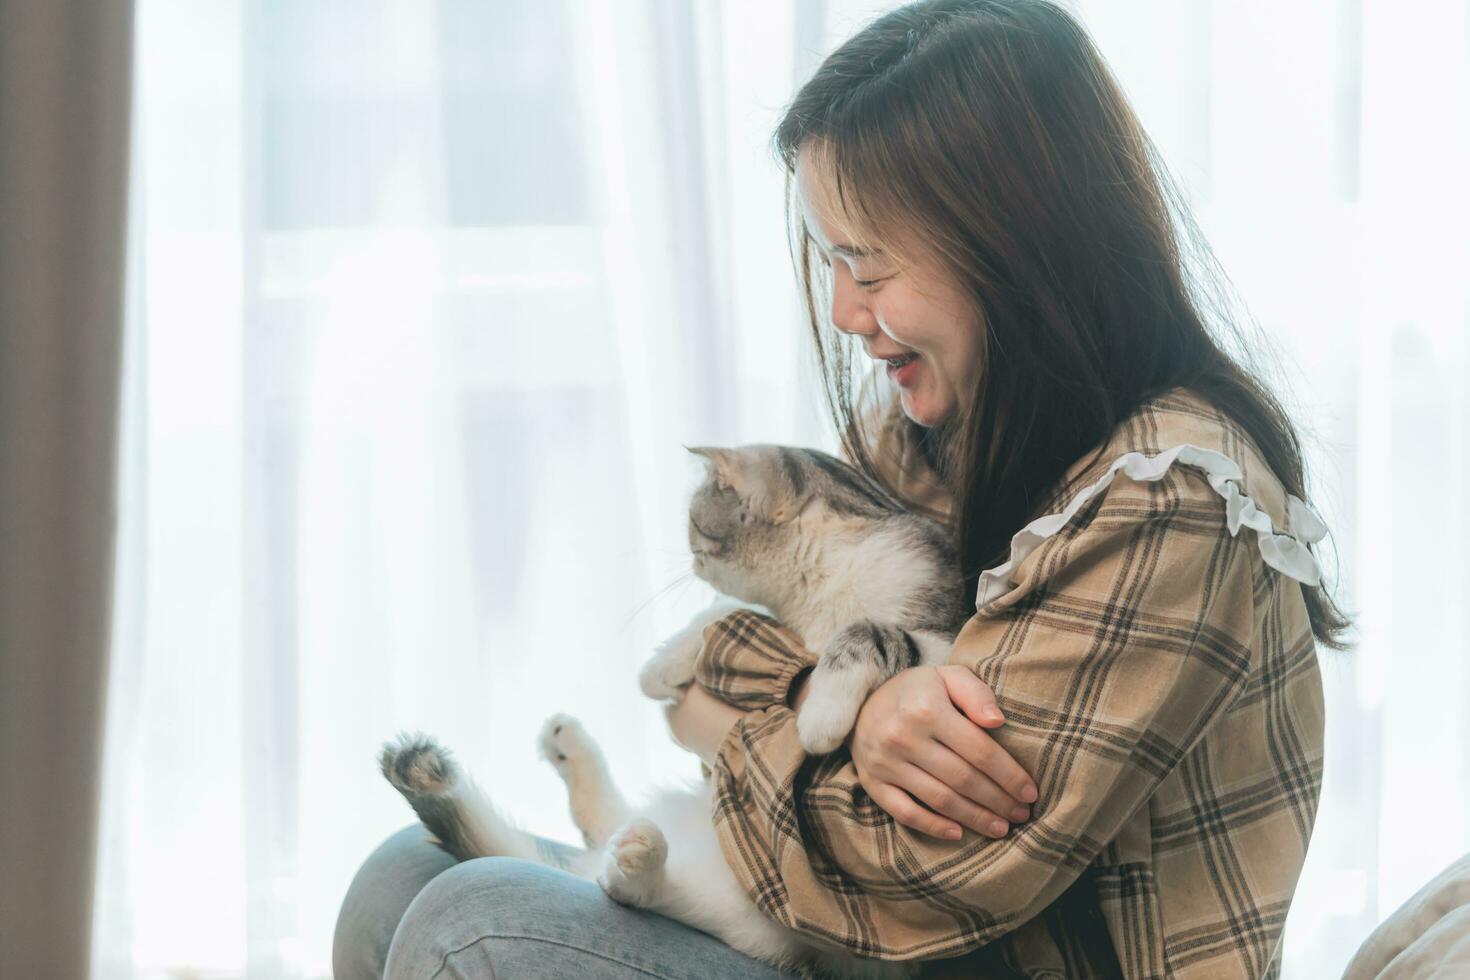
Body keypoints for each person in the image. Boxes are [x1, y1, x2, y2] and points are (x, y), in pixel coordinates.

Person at [334, 1, 1350, 976]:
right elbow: (703, 688)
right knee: (401, 875)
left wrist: (805, 693)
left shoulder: (1173, 498)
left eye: (867, 264)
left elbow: (920, 862)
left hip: (938, 942)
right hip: (840, 924)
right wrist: (852, 703)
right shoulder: (945, 420)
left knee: (474, 924)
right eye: (831, 261)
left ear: (1013, 242)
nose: (845, 310)